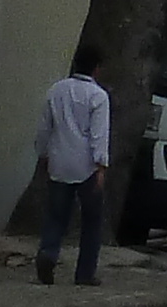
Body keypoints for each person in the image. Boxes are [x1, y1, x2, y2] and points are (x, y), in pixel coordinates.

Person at [36, 41, 112, 287]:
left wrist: (43, 154)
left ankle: (48, 253)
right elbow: (99, 135)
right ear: (97, 69)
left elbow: (45, 128)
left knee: (55, 216)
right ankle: (85, 272)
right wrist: (101, 165)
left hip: (58, 161)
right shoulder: (98, 97)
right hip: (86, 166)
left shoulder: (56, 90)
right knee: (91, 221)